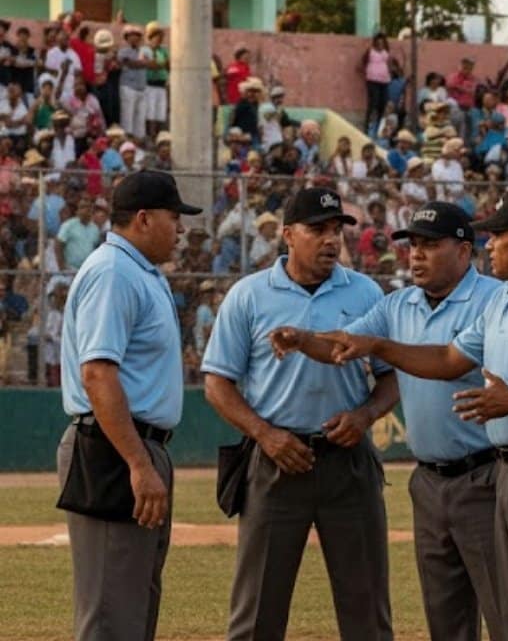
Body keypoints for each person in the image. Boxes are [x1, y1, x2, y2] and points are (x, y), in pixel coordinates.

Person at [317, 189, 508, 641]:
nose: (489, 245)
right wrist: (377, 345)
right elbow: (446, 360)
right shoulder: (504, 300)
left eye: (496, 235)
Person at [270, 202, 506, 641]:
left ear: (464, 251)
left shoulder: (495, 299)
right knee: (446, 619)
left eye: (430, 245)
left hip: (486, 476)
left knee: (507, 614)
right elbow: (345, 345)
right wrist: (303, 340)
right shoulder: (399, 304)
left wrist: (378, 346)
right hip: (430, 482)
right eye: (412, 244)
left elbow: (447, 362)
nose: (416, 254)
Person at [201, 188, 393, 641]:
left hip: (348, 461)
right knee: (257, 612)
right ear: (288, 235)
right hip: (276, 461)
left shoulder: (366, 292)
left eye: (336, 231)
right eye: (317, 230)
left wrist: (365, 416)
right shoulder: (249, 295)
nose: (330, 240)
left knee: (366, 608)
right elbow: (216, 383)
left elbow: (392, 375)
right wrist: (265, 435)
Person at [58, 170, 202, 640]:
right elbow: (98, 373)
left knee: (134, 608)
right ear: (143, 218)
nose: (180, 229)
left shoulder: (140, 270)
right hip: (114, 449)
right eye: (174, 217)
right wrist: (138, 463)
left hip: (135, 445)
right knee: (110, 616)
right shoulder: (114, 271)